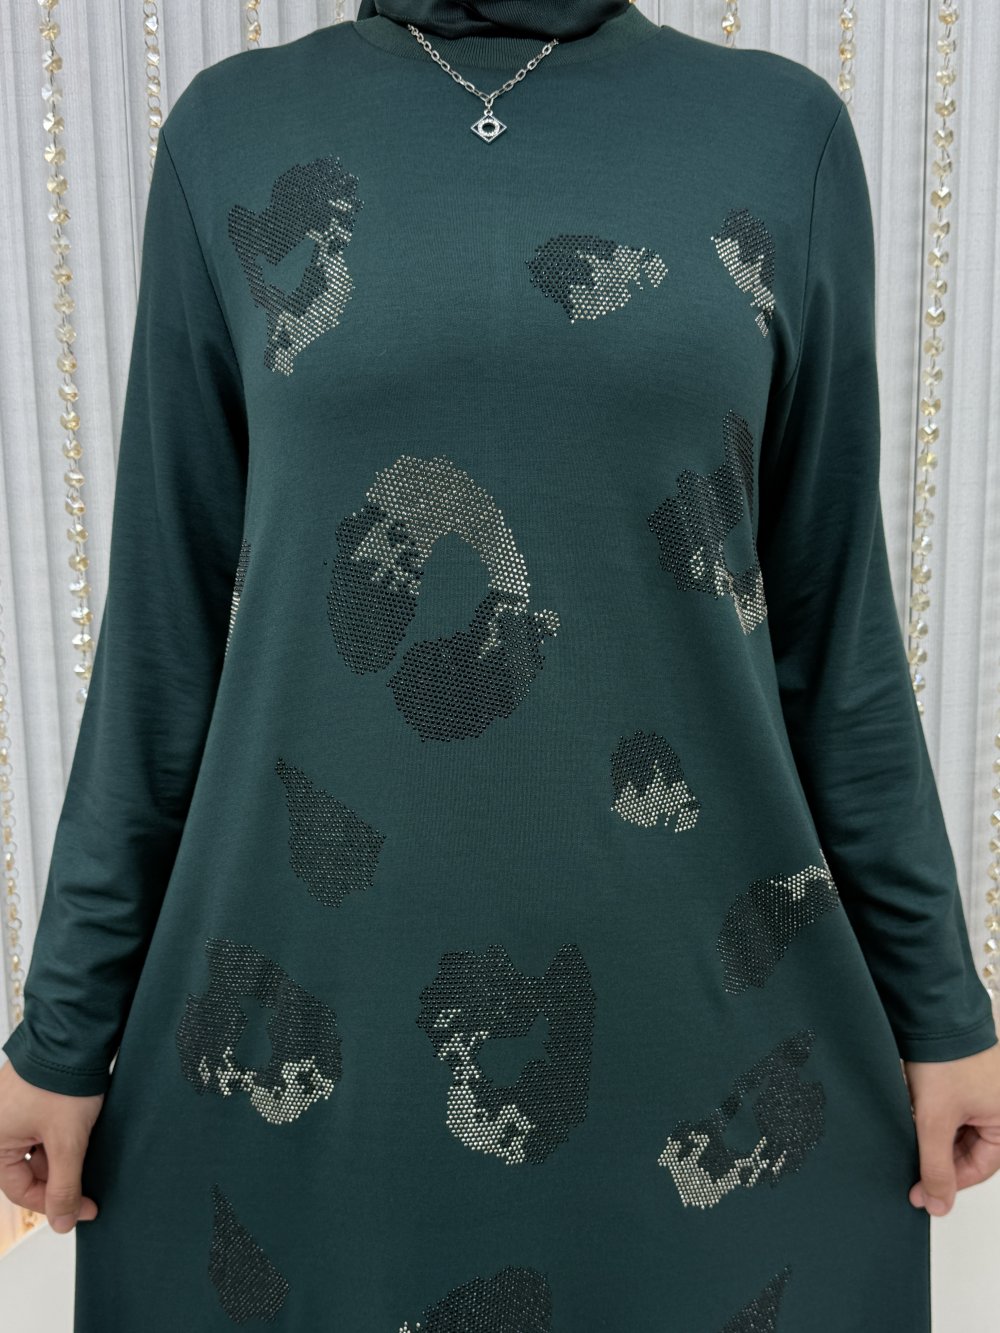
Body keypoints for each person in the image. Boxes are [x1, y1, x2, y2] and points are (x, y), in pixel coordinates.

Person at [2, 0, 999, 1327]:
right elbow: (160, 637)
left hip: (696, 1010)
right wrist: (65, 1025)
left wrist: (941, 1005)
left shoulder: (781, 137)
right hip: (320, 999)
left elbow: (837, 628)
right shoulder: (231, 138)